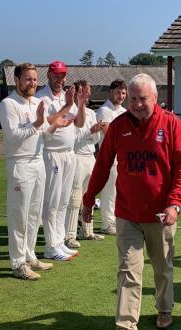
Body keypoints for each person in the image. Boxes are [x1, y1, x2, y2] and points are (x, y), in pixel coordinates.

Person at [81, 73, 181, 330]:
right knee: (128, 270)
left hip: (161, 214)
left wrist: (173, 203)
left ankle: (164, 308)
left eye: (143, 99)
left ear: (155, 98)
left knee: (162, 268)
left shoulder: (172, 124)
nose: (138, 104)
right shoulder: (118, 127)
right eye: (133, 99)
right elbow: (103, 165)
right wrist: (89, 199)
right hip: (127, 213)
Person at [0, 62, 72, 280]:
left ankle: (30, 255)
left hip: (38, 161)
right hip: (20, 164)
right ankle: (17, 263)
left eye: (34, 79)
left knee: (34, 216)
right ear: (17, 80)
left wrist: (54, 126)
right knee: (19, 216)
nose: (32, 83)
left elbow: (42, 135)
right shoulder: (8, 104)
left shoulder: (36, 102)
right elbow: (13, 136)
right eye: (28, 79)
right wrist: (38, 122)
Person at [35, 60, 89, 261]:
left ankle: (59, 242)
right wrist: (67, 105)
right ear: (48, 75)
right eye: (56, 75)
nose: (60, 79)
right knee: (52, 201)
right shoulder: (42, 98)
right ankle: (50, 246)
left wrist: (80, 103)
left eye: (63, 76)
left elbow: (80, 123)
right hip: (52, 153)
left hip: (69, 154)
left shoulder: (68, 97)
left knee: (64, 201)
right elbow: (46, 123)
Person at [65, 80, 108, 248]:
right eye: (85, 91)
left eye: (89, 91)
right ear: (76, 92)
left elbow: (95, 139)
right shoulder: (70, 111)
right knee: (75, 197)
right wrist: (90, 132)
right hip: (76, 155)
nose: (88, 94)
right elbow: (73, 137)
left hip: (90, 155)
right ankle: (69, 235)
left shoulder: (90, 112)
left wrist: (95, 131)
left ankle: (87, 231)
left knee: (88, 195)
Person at [95, 79, 128, 236]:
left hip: (123, 159)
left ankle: (115, 220)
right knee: (109, 192)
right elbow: (109, 134)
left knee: (119, 192)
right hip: (110, 159)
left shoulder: (124, 111)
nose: (121, 96)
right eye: (118, 92)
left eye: (123, 93)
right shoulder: (104, 110)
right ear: (110, 92)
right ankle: (107, 224)